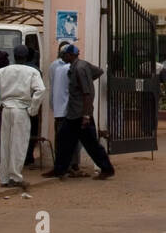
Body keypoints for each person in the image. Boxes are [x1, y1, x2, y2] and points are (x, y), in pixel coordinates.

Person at [44, 44, 116, 180]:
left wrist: (86, 115)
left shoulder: (79, 68)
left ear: (70, 55)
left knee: (90, 144)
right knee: (64, 140)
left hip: (80, 114)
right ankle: (60, 169)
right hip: (74, 113)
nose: (62, 57)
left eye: (64, 54)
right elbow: (99, 71)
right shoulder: (81, 65)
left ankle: (107, 169)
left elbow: (87, 94)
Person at [0, 49, 46, 188]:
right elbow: (41, 90)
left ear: (14, 56)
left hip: (6, 109)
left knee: (6, 144)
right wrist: (33, 109)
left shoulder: (3, 71)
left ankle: (4, 178)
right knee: (18, 144)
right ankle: (15, 177)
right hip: (21, 110)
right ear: (27, 56)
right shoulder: (32, 72)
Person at [47, 41, 83, 173]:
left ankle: (66, 165)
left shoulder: (58, 66)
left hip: (62, 108)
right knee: (67, 138)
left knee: (65, 138)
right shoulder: (65, 68)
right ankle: (68, 165)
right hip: (66, 108)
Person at [15, 45, 43, 166]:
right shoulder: (35, 71)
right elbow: (40, 90)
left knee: (17, 134)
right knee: (30, 132)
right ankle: (28, 157)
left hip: (15, 106)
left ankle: (18, 159)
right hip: (30, 106)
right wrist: (34, 108)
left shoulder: (10, 69)